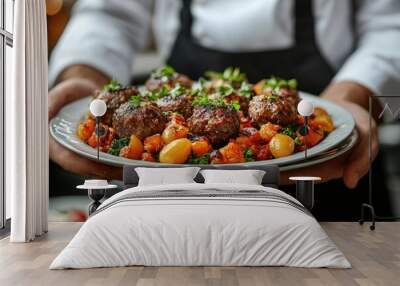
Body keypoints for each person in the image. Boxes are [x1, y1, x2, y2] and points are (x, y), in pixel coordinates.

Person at [48, 0, 400, 218]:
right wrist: (84, 82)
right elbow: (108, 13)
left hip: (327, 174)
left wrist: (349, 97)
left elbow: (391, 24)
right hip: (174, 194)